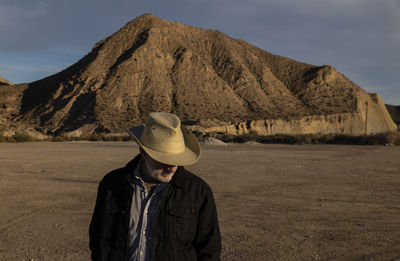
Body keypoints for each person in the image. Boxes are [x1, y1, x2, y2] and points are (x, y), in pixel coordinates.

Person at [89, 112, 221, 261]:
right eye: (163, 161)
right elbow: (98, 238)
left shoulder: (198, 191)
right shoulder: (112, 184)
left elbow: (210, 249)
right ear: (143, 152)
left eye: (176, 160)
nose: (171, 168)